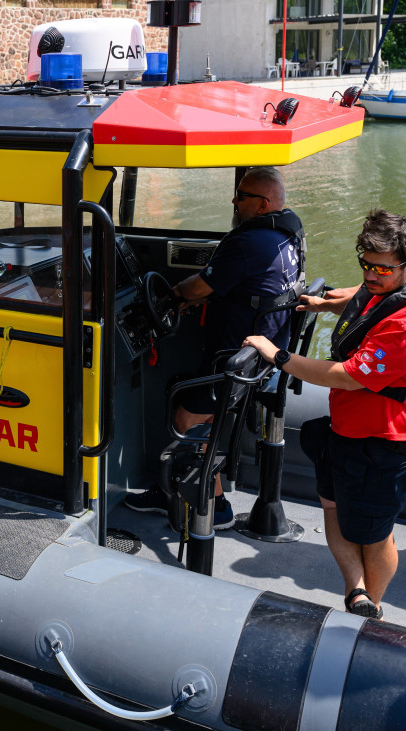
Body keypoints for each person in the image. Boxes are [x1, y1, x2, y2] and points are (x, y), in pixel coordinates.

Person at [244, 209, 406, 619]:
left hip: (385, 443)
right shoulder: (387, 283)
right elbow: (361, 300)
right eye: (365, 264)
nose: (371, 275)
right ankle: (356, 591)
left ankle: (375, 605)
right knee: (333, 509)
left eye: (382, 268)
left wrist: (278, 355)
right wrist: (319, 303)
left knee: (375, 536)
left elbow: (349, 377)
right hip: (346, 430)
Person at [125, 167, 304, 530]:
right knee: (188, 395)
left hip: (236, 361)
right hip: (263, 357)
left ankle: (208, 501)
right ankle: (196, 487)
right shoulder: (286, 234)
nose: (234, 201)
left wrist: (174, 296)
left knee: (186, 415)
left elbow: (199, 286)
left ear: (263, 202)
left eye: (241, 194)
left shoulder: (249, 242)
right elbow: (244, 285)